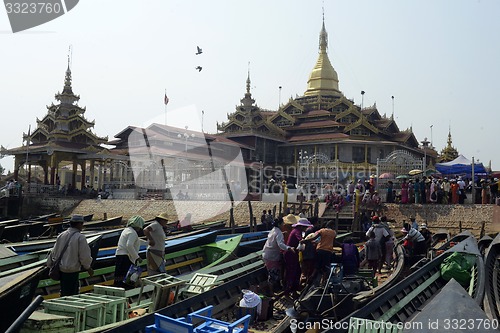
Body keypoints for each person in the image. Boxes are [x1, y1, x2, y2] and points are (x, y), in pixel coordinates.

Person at [46, 214, 94, 296]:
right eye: (82, 224)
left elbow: (54, 252)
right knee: (72, 294)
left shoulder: (61, 235)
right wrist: (88, 268)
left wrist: (49, 264)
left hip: (62, 270)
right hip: (72, 271)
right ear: (79, 224)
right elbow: (84, 256)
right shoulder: (80, 237)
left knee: (64, 292)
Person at [262, 217, 295, 295]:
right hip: (272, 256)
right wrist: (289, 248)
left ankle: (274, 289)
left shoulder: (274, 230)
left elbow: (274, 238)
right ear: (279, 224)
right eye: (282, 223)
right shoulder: (278, 232)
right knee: (273, 275)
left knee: (273, 273)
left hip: (266, 253)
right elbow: (280, 245)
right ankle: (271, 291)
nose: (283, 224)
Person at [114, 215, 145, 288]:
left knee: (119, 277)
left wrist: (147, 243)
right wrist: (137, 257)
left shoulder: (126, 230)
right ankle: (127, 291)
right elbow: (129, 245)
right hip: (126, 257)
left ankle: (119, 288)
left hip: (119, 255)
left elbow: (135, 241)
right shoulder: (133, 233)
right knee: (127, 279)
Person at [284, 218, 311, 298]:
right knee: (291, 273)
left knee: (297, 272)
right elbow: (301, 240)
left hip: (294, 254)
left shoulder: (296, 231)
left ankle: (293, 290)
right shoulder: (296, 231)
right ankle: (288, 291)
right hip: (290, 255)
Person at [305, 221, 337, 286]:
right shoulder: (333, 233)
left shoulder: (322, 231)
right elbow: (333, 242)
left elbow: (314, 238)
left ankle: (311, 278)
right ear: (332, 226)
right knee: (326, 267)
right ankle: (323, 282)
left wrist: (305, 240)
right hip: (328, 251)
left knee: (317, 266)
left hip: (320, 250)